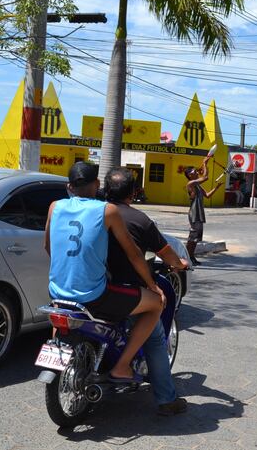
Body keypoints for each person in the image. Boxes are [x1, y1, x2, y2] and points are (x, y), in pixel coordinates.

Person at [45, 162, 165, 384]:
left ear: (69, 186)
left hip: (57, 292)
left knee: (60, 318)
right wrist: (152, 285)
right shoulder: (108, 210)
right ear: (97, 184)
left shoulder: (54, 207)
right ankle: (121, 367)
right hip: (93, 295)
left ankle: (61, 361)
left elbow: (48, 247)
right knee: (156, 303)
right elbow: (134, 254)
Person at [104, 167, 189, 416]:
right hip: (126, 290)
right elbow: (163, 252)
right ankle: (166, 398)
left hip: (88, 285)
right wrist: (179, 264)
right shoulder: (139, 220)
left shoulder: (93, 213)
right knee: (154, 336)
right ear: (133, 192)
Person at [184, 156, 221, 265]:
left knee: (196, 239)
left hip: (199, 214)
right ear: (190, 175)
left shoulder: (198, 186)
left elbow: (208, 195)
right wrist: (205, 163)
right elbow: (205, 177)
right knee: (192, 238)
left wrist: (217, 188)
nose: (196, 171)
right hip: (194, 214)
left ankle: (192, 256)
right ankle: (186, 257)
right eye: (194, 171)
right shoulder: (190, 184)